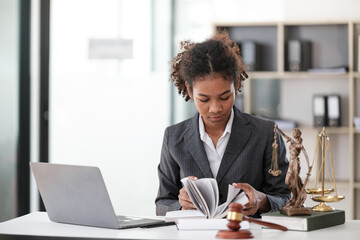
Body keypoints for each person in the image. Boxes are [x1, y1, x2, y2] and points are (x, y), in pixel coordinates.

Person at [155, 32, 290, 217]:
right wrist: (180, 205)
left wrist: (261, 200)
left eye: (224, 97)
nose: (215, 108)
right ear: (189, 90)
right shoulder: (174, 137)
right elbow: (162, 203)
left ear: (236, 84)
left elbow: (286, 198)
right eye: (204, 99)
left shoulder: (266, 133)